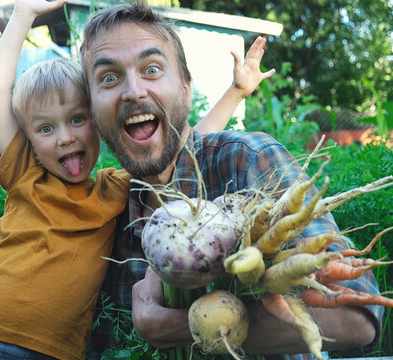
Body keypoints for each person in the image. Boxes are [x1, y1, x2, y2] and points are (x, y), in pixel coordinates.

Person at [0, 1, 274, 359]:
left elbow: (182, 144)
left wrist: (235, 92)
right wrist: (23, 14)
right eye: (45, 129)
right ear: (29, 140)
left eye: (77, 120)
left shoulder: (114, 187)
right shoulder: (26, 175)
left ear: (97, 122)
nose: (66, 136)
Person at [76, 2, 384, 359]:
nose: (132, 91)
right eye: (108, 78)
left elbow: (355, 318)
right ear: (92, 111)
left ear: (186, 88)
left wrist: (173, 327)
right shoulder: (106, 212)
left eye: (152, 69)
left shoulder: (248, 160)